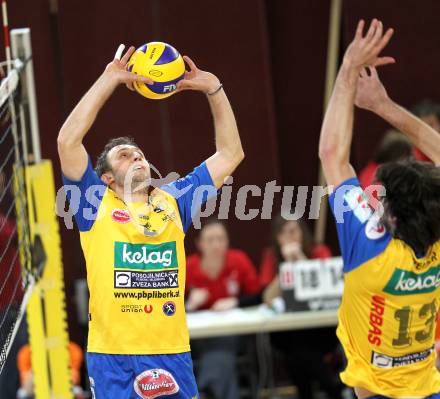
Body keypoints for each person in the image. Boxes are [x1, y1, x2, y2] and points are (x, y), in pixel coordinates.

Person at [57, 44, 244, 398]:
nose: (137, 157)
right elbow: (67, 141)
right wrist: (110, 78)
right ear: (108, 178)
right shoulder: (94, 204)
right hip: (113, 357)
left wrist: (213, 89)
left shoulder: (173, 200)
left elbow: (231, 154)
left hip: (170, 351)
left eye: (139, 153)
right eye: (125, 156)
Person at [319, 18, 440, 398]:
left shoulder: (371, 247)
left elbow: (332, 156)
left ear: (393, 214)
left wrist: (348, 71)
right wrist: (384, 105)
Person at [259, 214, 342, 399]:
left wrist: (300, 258)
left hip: (319, 327)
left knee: (300, 355)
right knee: (298, 351)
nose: (289, 237)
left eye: (293, 231)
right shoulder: (271, 256)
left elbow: (324, 288)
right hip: (288, 330)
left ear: (302, 232)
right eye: (283, 233)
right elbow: (267, 298)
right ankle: (333, 391)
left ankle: (316, 392)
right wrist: (288, 266)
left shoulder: (319, 251)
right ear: (277, 237)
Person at [186, 218, 260, 399]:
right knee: (220, 354)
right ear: (200, 244)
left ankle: (206, 392)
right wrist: (189, 305)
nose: (216, 244)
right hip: (199, 337)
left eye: (220, 239)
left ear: (227, 241)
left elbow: (258, 295)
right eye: (210, 240)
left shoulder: (238, 260)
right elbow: (168, 306)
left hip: (232, 333)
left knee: (222, 348)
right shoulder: (188, 266)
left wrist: (236, 302)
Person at [16, 341, 84, 399]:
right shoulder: (26, 352)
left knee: (77, 391)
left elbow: (73, 381)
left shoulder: (72, 349)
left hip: (62, 388)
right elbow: (26, 386)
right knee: (22, 393)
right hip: (36, 389)